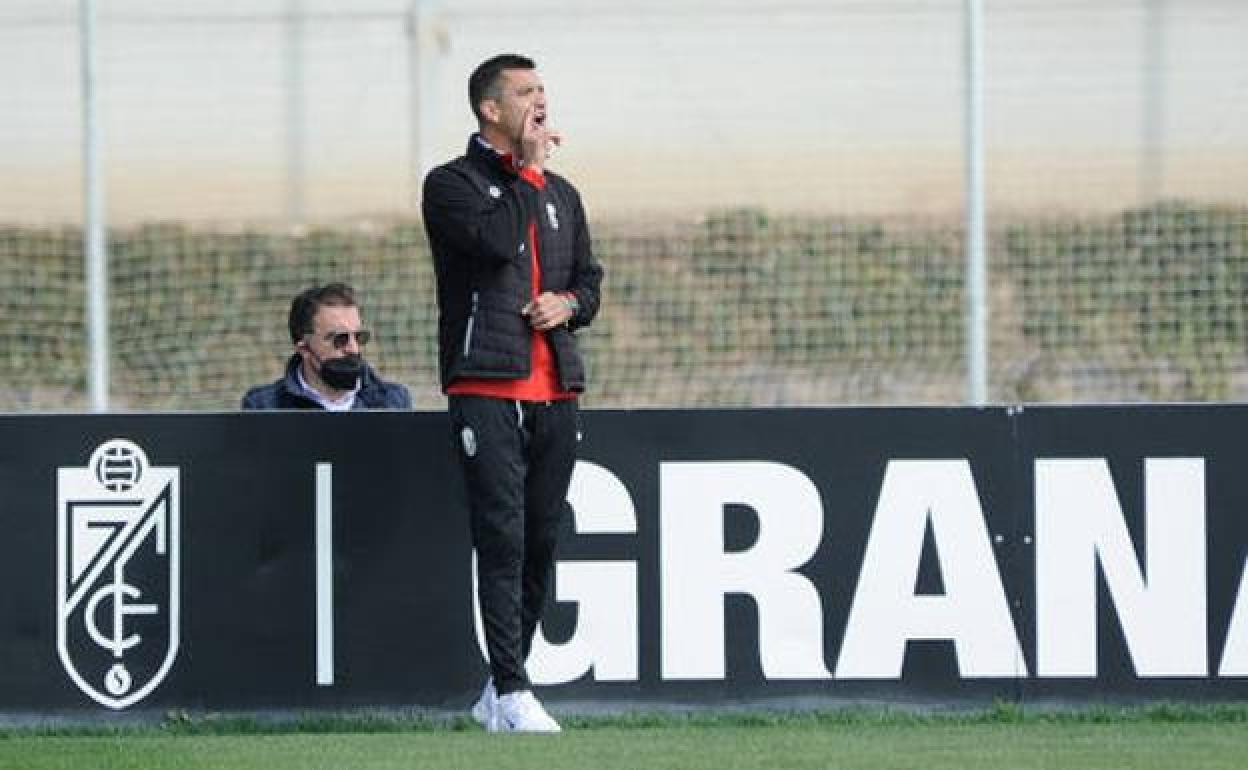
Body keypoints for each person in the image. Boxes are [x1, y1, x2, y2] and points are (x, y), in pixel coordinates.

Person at [422, 53, 603, 733]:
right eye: (525, 92)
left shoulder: (563, 193)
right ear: (490, 110)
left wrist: (568, 304)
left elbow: (590, 280)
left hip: (555, 389)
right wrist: (526, 171)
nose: (540, 101)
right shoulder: (451, 184)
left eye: (543, 89)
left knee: (539, 540)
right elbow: (496, 244)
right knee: (500, 537)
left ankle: (500, 692)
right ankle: (514, 687)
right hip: (486, 385)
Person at [241, 282, 412, 410]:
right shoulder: (265, 406)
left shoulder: (392, 402)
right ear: (304, 349)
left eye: (359, 337)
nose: (353, 348)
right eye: (340, 339)